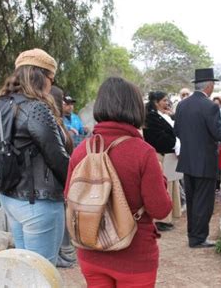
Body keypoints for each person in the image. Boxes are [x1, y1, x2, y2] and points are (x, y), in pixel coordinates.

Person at [65, 77, 172, 287]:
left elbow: (69, 196)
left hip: (90, 251)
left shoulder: (80, 151)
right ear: (135, 108)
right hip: (134, 257)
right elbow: (160, 209)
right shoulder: (143, 153)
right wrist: (161, 178)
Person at [0, 48, 70, 265]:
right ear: (41, 76)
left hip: (10, 198)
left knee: (24, 270)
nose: (52, 84)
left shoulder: (0, 105)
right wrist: (75, 184)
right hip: (38, 201)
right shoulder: (36, 108)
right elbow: (57, 157)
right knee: (41, 273)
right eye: (51, 78)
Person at [174, 68, 221, 248]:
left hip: (187, 160)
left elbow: (176, 131)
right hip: (205, 161)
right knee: (204, 202)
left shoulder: (182, 105)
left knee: (193, 200)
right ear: (209, 85)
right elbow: (219, 132)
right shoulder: (210, 106)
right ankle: (198, 238)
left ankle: (192, 235)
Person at [143, 91, 182, 232]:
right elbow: (158, 137)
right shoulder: (150, 118)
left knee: (170, 185)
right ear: (156, 102)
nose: (167, 103)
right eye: (164, 100)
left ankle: (168, 217)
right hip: (160, 155)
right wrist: (175, 142)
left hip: (169, 155)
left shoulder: (162, 116)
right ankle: (161, 220)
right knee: (162, 187)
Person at [50, 86, 76, 268]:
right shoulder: (49, 120)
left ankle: (61, 251)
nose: (65, 105)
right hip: (55, 180)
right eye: (61, 101)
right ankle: (57, 253)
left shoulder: (58, 121)